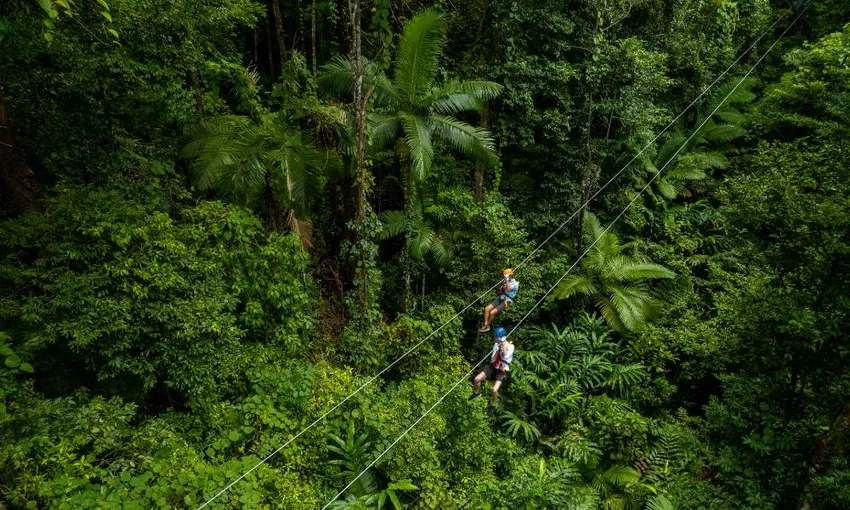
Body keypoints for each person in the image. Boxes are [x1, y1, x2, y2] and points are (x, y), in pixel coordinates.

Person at [468, 326, 515, 416]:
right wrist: (498, 349)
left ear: (501, 337)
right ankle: (476, 393)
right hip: (493, 366)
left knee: (494, 390)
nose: (495, 338)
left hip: (502, 370)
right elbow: (493, 359)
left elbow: (506, 356)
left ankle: (492, 405)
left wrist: (503, 346)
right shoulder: (496, 345)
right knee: (476, 379)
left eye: (496, 337)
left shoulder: (510, 346)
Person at [479, 268, 518, 333]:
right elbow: (503, 289)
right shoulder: (505, 281)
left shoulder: (516, 283)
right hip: (501, 297)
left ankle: (488, 325)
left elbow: (509, 289)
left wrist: (507, 280)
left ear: (511, 276)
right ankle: (486, 324)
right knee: (487, 309)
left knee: (492, 312)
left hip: (507, 301)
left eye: (506, 276)